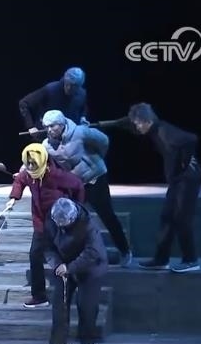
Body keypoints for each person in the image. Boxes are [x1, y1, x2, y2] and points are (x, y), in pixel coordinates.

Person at [41, 110, 133, 266]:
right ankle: (77, 255)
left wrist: (94, 160)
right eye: (46, 127)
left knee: (107, 215)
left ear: (62, 124)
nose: (49, 130)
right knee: (73, 218)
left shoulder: (80, 132)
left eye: (53, 126)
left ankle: (125, 250)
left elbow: (104, 141)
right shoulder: (47, 144)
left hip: (95, 179)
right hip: (75, 183)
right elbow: (39, 158)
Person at [6, 144, 85, 308]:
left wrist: (77, 209)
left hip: (59, 223)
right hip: (40, 222)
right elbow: (19, 180)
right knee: (35, 255)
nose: (30, 167)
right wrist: (13, 198)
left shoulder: (56, 175)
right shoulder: (29, 174)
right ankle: (39, 296)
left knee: (66, 256)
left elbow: (78, 185)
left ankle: (74, 292)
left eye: (33, 163)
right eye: (28, 164)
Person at [128, 103, 201, 273]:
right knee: (167, 216)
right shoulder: (154, 129)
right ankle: (161, 259)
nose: (136, 127)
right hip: (177, 180)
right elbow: (125, 122)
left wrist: (186, 161)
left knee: (182, 219)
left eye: (138, 123)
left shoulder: (163, 131)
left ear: (147, 121)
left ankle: (191, 260)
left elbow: (192, 139)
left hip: (187, 180)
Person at [42, 198, 107, 344]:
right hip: (64, 263)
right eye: (57, 223)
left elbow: (93, 252)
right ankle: (58, 343)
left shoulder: (88, 225)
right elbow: (47, 247)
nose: (60, 226)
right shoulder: (51, 221)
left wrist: (70, 268)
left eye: (63, 224)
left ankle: (87, 340)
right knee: (59, 302)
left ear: (72, 219)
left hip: (90, 266)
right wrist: (57, 264)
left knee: (87, 305)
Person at [19, 67, 89, 141]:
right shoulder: (51, 89)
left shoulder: (82, 94)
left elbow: (82, 108)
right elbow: (24, 103)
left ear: (79, 86)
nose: (69, 88)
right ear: (64, 80)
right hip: (46, 137)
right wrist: (30, 126)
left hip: (68, 138)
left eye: (73, 86)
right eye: (67, 84)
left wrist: (83, 118)